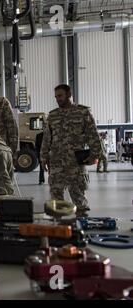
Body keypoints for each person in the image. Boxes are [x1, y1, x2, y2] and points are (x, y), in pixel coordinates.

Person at [41, 84, 101, 217]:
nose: (58, 99)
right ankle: (59, 228)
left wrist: (95, 154)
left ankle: (81, 226)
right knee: (56, 199)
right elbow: (46, 138)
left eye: (60, 96)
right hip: (56, 162)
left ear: (69, 95)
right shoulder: (52, 116)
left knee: (79, 198)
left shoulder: (83, 112)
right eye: (56, 97)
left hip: (76, 162)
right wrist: (43, 157)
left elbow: (93, 135)